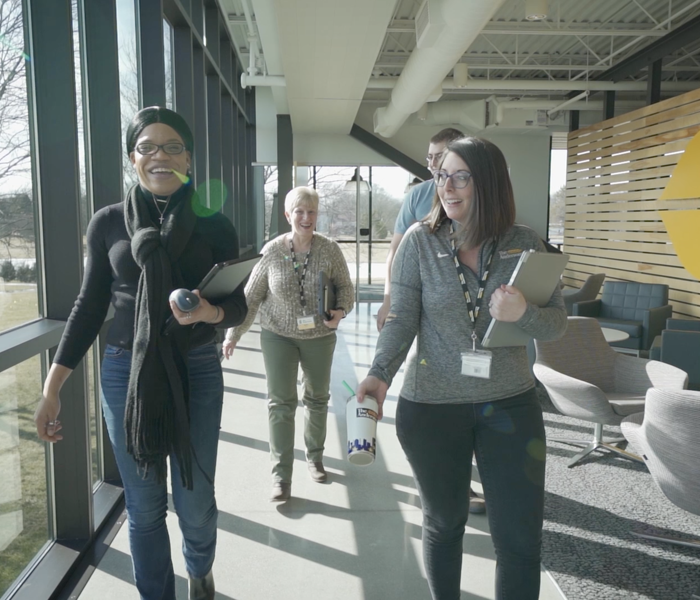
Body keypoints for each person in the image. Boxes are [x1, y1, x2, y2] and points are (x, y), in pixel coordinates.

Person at [33, 106, 247, 600]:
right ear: (133, 158)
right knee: (145, 502)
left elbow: (237, 303)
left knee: (194, 498)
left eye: (172, 146)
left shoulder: (214, 224)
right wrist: (52, 387)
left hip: (195, 366)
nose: (160, 156)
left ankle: (199, 569)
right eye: (147, 147)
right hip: (124, 372)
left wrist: (208, 315)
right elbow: (88, 308)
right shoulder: (108, 223)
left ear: (188, 158)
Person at [357, 137, 567, 600]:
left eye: (460, 176)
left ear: (488, 181)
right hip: (432, 407)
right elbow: (401, 318)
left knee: (518, 537)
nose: (446, 187)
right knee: (445, 523)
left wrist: (523, 315)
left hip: (510, 404)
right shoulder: (420, 241)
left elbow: (555, 325)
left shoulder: (525, 244)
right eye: (441, 176)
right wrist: (380, 372)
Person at [223, 186, 354, 503]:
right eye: (299, 211)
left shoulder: (329, 250)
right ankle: (281, 476)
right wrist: (234, 334)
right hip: (278, 335)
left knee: (317, 398)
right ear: (287, 215)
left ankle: (315, 456)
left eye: (311, 211)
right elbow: (251, 298)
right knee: (281, 403)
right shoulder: (272, 251)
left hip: (319, 337)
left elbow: (346, 291)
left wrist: (340, 312)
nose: (306, 218)